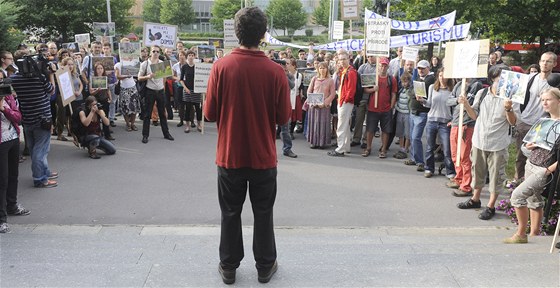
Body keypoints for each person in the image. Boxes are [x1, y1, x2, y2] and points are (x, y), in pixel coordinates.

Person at [204, 7, 290, 284]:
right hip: (264, 156)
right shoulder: (275, 71)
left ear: (236, 33)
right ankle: (265, 266)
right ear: (263, 34)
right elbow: (283, 117)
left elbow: (209, 114)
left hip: (229, 154)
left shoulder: (221, 67)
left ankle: (228, 266)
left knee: (230, 212)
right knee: (264, 212)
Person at [456, 65, 516, 220]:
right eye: (499, 77)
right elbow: (474, 115)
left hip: (498, 143)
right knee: (478, 171)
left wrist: (509, 109)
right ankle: (475, 199)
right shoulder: (482, 93)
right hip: (479, 140)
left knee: (496, 176)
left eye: (505, 77)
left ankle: (491, 206)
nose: (502, 80)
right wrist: (466, 105)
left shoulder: (511, 97)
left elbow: (513, 122)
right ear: (492, 79)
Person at [504, 88, 560, 243]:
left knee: (517, 196)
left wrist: (549, 170)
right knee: (533, 201)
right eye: (542, 100)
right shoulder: (543, 120)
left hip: (543, 169)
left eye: (548, 99)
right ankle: (535, 234)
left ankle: (521, 234)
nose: (544, 103)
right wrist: (528, 146)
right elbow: (528, 145)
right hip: (531, 163)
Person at [10, 50, 58, 188]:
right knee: (41, 151)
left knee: (34, 149)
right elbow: (51, 90)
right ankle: (40, 179)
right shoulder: (39, 77)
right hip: (42, 119)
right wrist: (51, 74)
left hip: (27, 118)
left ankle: (45, 172)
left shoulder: (15, 79)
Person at [510, 52, 556, 186]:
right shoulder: (529, 78)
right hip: (525, 121)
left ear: (554, 64)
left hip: (543, 126)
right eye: (542, 61)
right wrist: (518, 118)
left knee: (539, 157)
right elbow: (515, 97)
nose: (544, 64)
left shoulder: (555, 82)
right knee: (520, 155)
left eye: (548, 61)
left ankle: (533, 183)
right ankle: (517, 181)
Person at [0, 73, 30, 234]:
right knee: (2, 180)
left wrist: (4, 108)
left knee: (13, 176)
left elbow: (18, 117)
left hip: (12, 138)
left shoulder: (9, 97)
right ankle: (1, 219)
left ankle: (12, 205)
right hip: (1, 144)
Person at [416, 68, 455, 178]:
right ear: (438, 76)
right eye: (441, 75)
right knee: (429, 147)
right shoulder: (432, 87)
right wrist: (422, 100)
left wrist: (452, 120)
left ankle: (450, 171)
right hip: (432, 120)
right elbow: (429, 104)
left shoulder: (452, 89)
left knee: (447, 149)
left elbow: (454, 107)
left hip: (445, 122)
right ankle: (429, 168)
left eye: (444, 76)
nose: (442, 78)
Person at [447, 78, 483, 197]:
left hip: (467, 125)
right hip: (455, 123)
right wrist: (457, 100)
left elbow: (473, 105)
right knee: (455, 155)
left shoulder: (476, 85)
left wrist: (465, 98)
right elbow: (449, 101)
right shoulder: (458, 84)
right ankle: (459, 178)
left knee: (465, 157)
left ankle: (466, 186)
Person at [137, 45, 174, 143]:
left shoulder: (162, 63)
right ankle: (145, 135)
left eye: (157, 51)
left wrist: (169, 73)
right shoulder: (145, 64)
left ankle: (166, 133)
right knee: (147, 114)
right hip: (150, 91)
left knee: (162, 113)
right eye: (154, 51)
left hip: (161, 91)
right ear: (150, 53)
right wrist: (148, 76)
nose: (156, 53)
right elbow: (139, 78)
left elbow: (167, 77)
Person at [362, 57, 397, 158]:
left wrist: (391, 106)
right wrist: (373, 89)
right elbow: (365, 90)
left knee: (385, 130)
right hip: (373, 108)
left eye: (385, 65)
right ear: (378, 66)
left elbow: (394, 93)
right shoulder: (373, 77)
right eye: (381, 65)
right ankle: (368, 148)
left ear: (388, 66)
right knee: (370, 129)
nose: (383, 67)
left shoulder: (391, 79)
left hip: (386, 109)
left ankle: (383, 149)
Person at [404, 59, 435, 171]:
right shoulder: (419, 78)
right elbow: (411, 91)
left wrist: (413, 92)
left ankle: (420, 161)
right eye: (419, 68)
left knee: (415, 137)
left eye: (423, 68)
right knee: (412, 137)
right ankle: (414, 158)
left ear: (428, 68)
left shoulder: (430, 79)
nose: (421, 70)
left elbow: (414, 92)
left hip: (422, 112)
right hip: (414, 111)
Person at [328, 49, 357, 157]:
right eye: (340, 60)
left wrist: (344, 99)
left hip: (345, 101)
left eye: (344, 59)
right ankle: (345, 146)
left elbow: (351, 89)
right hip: (343, 100)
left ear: (348, 59)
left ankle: (340, 149)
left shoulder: (351, 72)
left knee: (341, 125)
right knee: (344, 124)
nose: (342, 61)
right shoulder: (345, 71)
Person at [306, 61, 335, 148]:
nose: (322, 70)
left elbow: (332, 94)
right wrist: (312, 101)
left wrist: (325, 102)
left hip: (324, 106)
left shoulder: (330, 80)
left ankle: (322, 143)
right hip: (314, 106)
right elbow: (309, 91)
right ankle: (314, 142)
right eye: (320, 68)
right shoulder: (314, 79)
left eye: (324, 68)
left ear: (327, 69)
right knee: (314, 124)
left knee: (323, 124)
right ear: (318, 69)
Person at [352, 55, 376, 148]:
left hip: (373, 97)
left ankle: (366, 140)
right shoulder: (362, 67)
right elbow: (357, 80)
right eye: (368, 56)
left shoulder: (378, 68)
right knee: (358, 119)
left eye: (372, 56)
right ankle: (356, 138)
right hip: (362, 97)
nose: (370, 58)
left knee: (370, 120)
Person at [114, 51, 141, 132]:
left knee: (135, 107)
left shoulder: (132, 63)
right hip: (123, 88)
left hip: (133, 87)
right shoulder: (118, 64)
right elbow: (117, 76)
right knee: (125, 108)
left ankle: (132, 124)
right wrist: (126, 76)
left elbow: (138, 73)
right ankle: (127, 124)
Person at [89, 62, 114, 141]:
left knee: (105, 117)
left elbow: (108, 90)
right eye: (98, 69)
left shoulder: (105, 78)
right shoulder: (93, 79)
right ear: (95, 70)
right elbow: (91, 92)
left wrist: (110, 98)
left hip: (105, 100)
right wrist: (97, 90)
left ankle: (107, 134)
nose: (100, 70)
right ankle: (98, 134)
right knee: (97, 118)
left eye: (101, 68)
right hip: (96, 101)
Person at [179, 50, 202, 133]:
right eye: (189, 55)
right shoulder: (184, 67)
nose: (191, 57)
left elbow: (202, 78)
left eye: (192, 55)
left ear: (194, 56)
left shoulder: (198, 66)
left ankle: (199, 125)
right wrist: (185, 88)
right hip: (187, 90)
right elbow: (181, 79)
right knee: (188, 108)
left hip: (197, 90)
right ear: (187, 57)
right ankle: (187, 126)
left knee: (198, 108)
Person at [393, 71, 413, 159]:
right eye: (402, 81)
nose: (404, 83)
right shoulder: (400, 90)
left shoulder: (411, 91)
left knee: (407, 132)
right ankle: (401, 147)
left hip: (407, 114)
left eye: (406, 81)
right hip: (400, 112)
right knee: (400, 131)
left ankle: (406, 147)